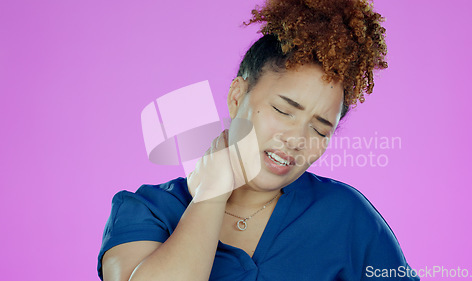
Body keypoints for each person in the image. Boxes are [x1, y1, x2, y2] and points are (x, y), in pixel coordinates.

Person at [98, 0, 420, 280]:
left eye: (320, 129)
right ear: (237, 96)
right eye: (283, 110)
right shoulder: (146, 211)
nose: (297, 139)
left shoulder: (348, 217)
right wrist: (210, 196)